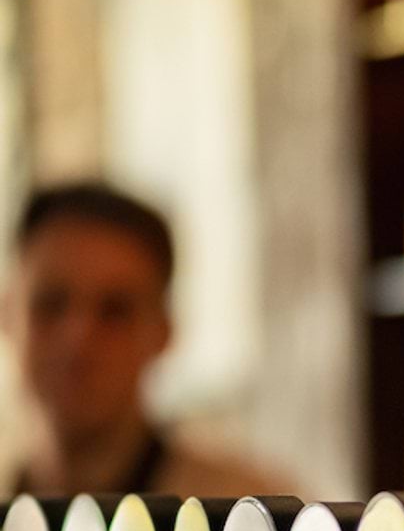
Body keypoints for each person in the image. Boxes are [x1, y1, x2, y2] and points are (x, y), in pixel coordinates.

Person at [2, 181, 283, 498]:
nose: (77, 337)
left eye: (115, 310)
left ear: (165, 330)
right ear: (7, 314)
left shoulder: (246, 516)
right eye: (51, 303)